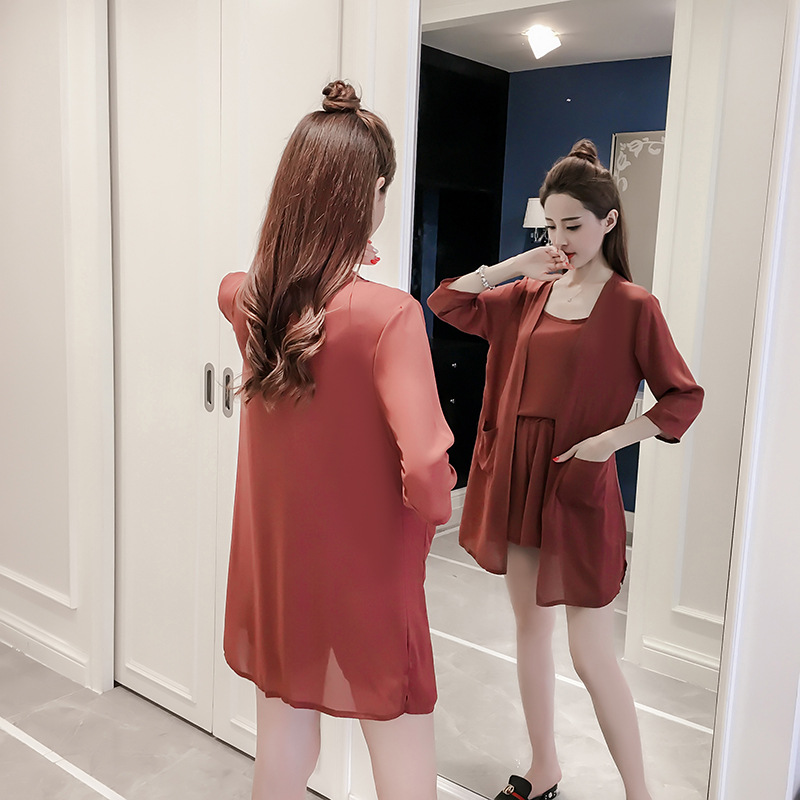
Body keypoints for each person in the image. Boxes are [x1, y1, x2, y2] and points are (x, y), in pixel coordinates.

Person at [428, 139, 703, 800]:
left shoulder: (634, 306)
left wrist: (612, 441)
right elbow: (446, 302)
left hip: (576, 483)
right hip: (519, 478)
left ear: (609, 221)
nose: (561, 239)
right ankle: (543, 766)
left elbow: (682, 396)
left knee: (590, 653)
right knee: (530, 631)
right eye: (551, 226)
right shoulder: (529, 294)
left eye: (573, 225)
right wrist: (517, 264)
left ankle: (639, 792)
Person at [218, 80, 456, 800]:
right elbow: (428, 475)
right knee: (402, 750)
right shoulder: (389, 317)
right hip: (369, 573)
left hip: (278, 565)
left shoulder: (248, 299)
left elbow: (237, 284)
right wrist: (430, 513)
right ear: (373, 193)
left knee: (283, 746)